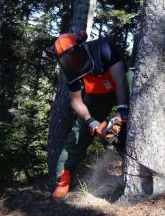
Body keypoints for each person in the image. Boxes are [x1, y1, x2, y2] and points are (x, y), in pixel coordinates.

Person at [50, 31, 129, 199]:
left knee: (135, 106)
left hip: (123, 85)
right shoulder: (70, 66)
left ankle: (130, 153)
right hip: (97, 95)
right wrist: (91, 121)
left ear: (81, 47)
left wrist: (122, 109)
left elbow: (120, 78)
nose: (73, 62)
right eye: (67, 59)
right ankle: (63, 178)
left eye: (73, 56)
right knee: (78, 134)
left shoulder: (104, 47)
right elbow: (76, 101)